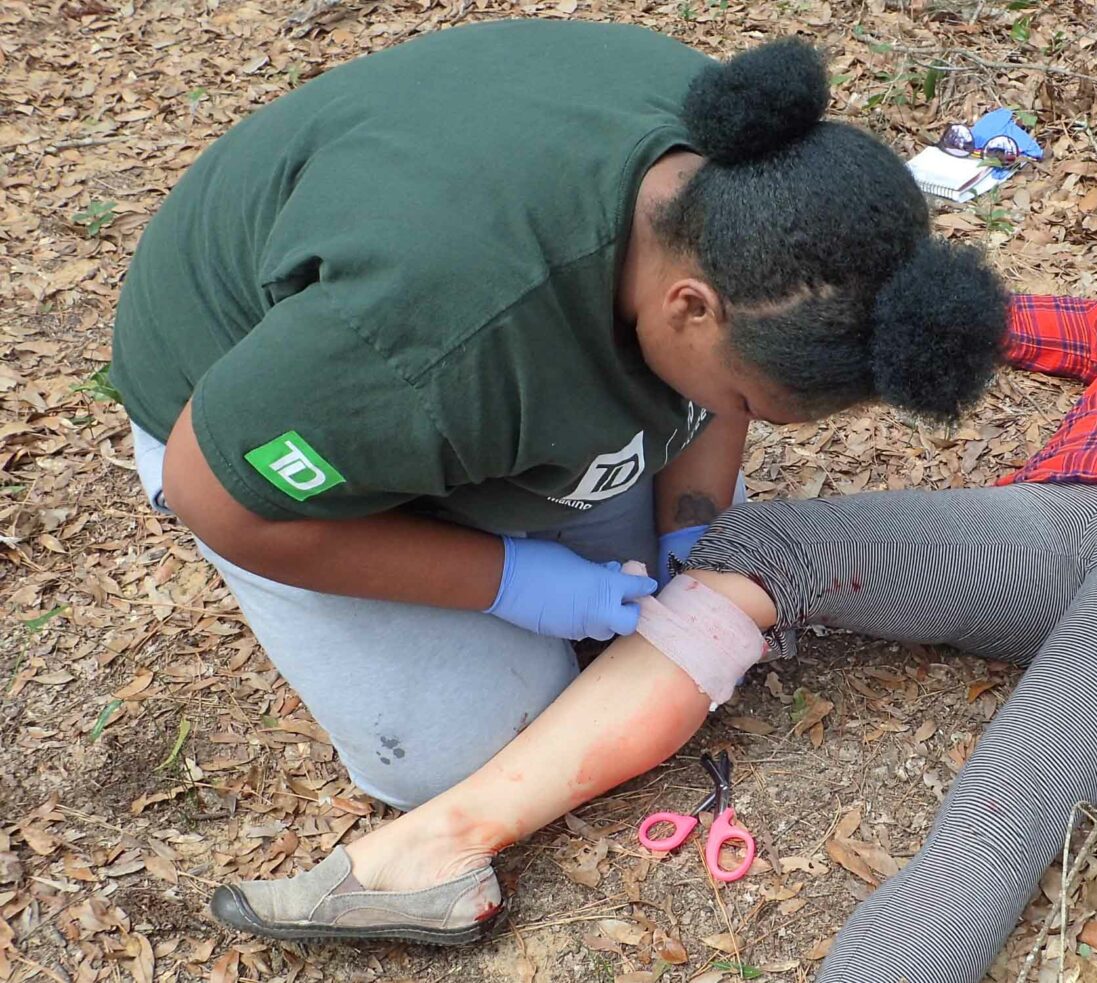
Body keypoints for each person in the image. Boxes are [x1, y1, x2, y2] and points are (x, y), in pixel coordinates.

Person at [206, 210, 1097, 970]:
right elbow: (994, 321)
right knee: (763, 545)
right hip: (1054, 521)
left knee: (998, 809)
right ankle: (442, 846)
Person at [114, 22, 1007, 815]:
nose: (734, 419)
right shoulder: (434, 333)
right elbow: (215, 495)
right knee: (478, 747)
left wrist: (692, 532)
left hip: (435, 354)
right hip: (244, 418)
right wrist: (510, 580)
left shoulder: (744, 182)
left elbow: (703, 411)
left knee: (612, 635)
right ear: (690, 306)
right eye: (743, 404)